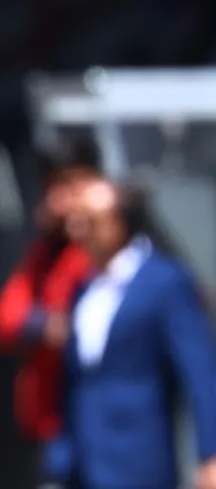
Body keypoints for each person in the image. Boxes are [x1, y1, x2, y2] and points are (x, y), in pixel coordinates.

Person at [44, 178, 216, 489]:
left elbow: (200, 374)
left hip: (139, 458)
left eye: (91, 221)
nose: (79, 231)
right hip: (84, 461)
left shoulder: (164, 282)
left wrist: (211, 453)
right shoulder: (84, 290)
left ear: (120, 222)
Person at [0, 141, 99, 483]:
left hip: (97, 421)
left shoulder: (106, 251)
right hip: (50, 421)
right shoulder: (47, 251)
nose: (55, 201)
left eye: (67, 187)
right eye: (52, 188)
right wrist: (45, 325)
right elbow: (5, 319)